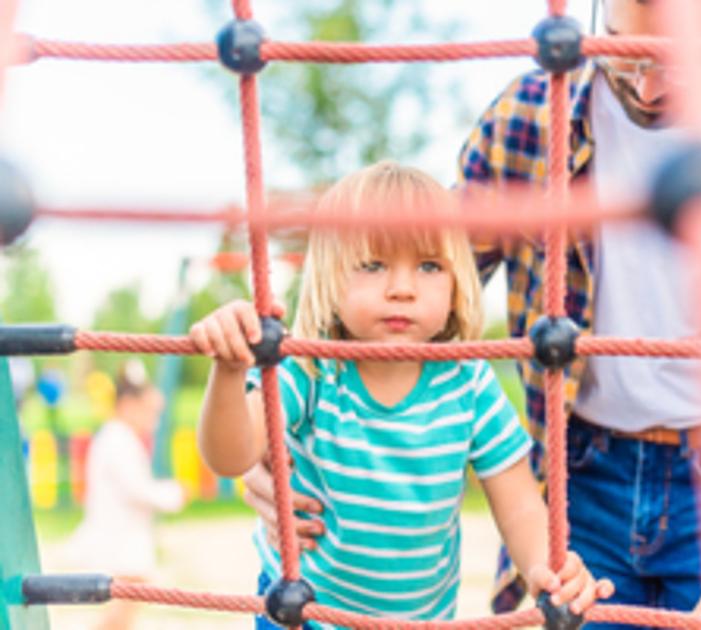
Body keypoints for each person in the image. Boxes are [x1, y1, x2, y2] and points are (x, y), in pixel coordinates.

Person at [245, 0, 701, 623]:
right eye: (622, 49)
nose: (647, 85)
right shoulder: (528, 120)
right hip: (577, 477)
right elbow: (415, 286)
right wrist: (276, 438)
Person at [191, 161, 614, 628]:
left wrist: (542, 565)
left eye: (429, 266)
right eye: (373, 265)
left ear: (456, 284)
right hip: (304, 614)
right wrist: (230, 371)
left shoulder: (467, 383)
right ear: (329, 279)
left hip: (418, 621)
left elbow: (518, 505)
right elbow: (229, 456)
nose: (402, 289)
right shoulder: (312, 371)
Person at [66, 360, 185, 630]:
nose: (151, 420)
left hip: (124, 538)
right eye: (147, 410)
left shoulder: (120, 437)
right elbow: (138, 489)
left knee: (123, 616)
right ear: (129, 405)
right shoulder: (117, 439)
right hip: (118, 541)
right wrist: (174, 494)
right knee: (117, 618)